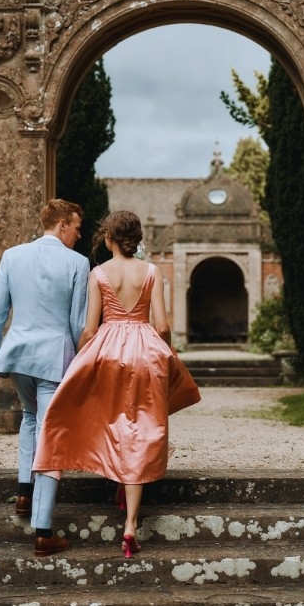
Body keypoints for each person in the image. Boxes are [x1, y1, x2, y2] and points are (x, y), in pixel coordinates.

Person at [33, 210, 201, 558]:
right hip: (145, 349)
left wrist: (81, 360)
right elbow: (164, 324)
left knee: (110, 421)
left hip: (108, 349)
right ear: (136, 239)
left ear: (109, 238)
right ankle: (130, 526)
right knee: (141, 426)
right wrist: (164, 350)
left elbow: (90, 327)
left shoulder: (98, 273)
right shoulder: (151, 271)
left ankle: (115, 481)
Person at [0, 198, 89, 557]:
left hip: (18, 355)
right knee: (52, 434)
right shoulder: (77, 263)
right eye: (76, 228)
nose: (78, 235)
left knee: (30, 418)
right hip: (53, 358)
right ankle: (43, 530)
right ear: (61, 226)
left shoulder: (13, 256)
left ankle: (24, 492)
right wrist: (79, 363)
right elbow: (76, 323)